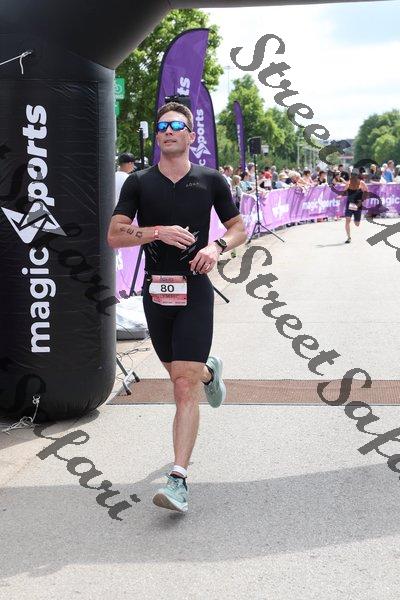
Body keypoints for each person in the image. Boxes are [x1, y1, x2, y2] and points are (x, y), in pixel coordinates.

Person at [108, 102, 246, 514]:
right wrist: (157, 232)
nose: (168, 131)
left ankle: (179, 479)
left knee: (182, 386)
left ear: (191, 135)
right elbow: (115, 235)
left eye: (176, 125)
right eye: (162, 126)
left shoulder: (210, 180)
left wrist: (216, 247)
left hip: (195, 291)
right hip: (156, 293)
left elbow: (238, 227)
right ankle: (209, 371)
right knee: (180, 373)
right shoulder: (139, 182)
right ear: (157, 137)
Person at [343, 168, 369, 243]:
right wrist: (340, 196)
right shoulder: (348, 183)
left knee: (357, 224)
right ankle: (349, 237)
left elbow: (366, 191)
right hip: (350, 204)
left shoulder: (361, 183)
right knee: (347, 219)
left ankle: (356, 219)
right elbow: (344, 192)